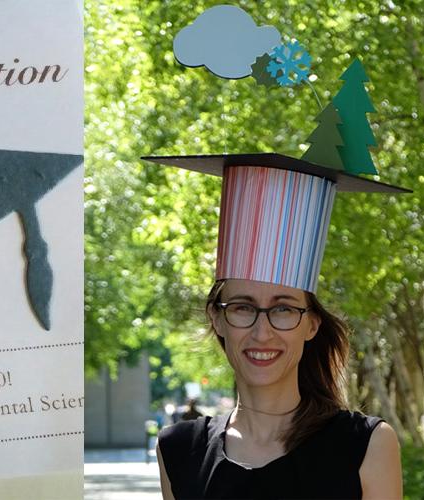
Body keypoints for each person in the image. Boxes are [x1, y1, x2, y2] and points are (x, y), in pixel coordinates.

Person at [144, 153, 407, 499]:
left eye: (282, 309)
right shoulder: (179, 450)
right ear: (218, 318)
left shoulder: (366, 445)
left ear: (311, 324)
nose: (262, 331)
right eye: (242, 307)